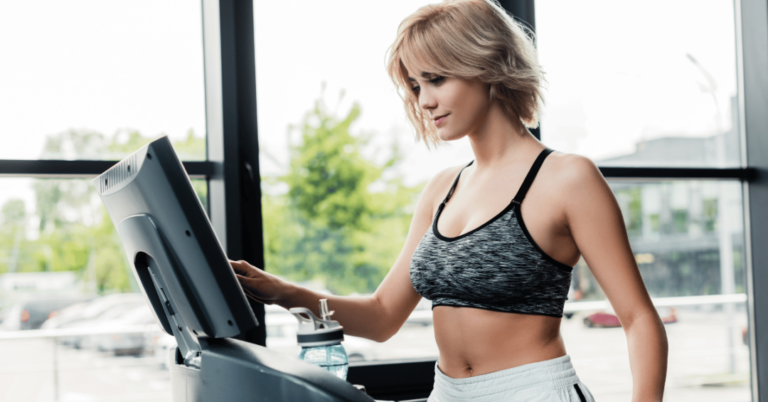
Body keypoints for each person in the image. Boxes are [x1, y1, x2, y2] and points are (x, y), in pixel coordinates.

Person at [231, 0, 668, 400]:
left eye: (436, 79)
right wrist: (281, 292)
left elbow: (638, 318)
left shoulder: (567, 178)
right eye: (416, 86)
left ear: (486, 65)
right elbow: (382, 317)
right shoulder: (442, 188)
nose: (424, 101)